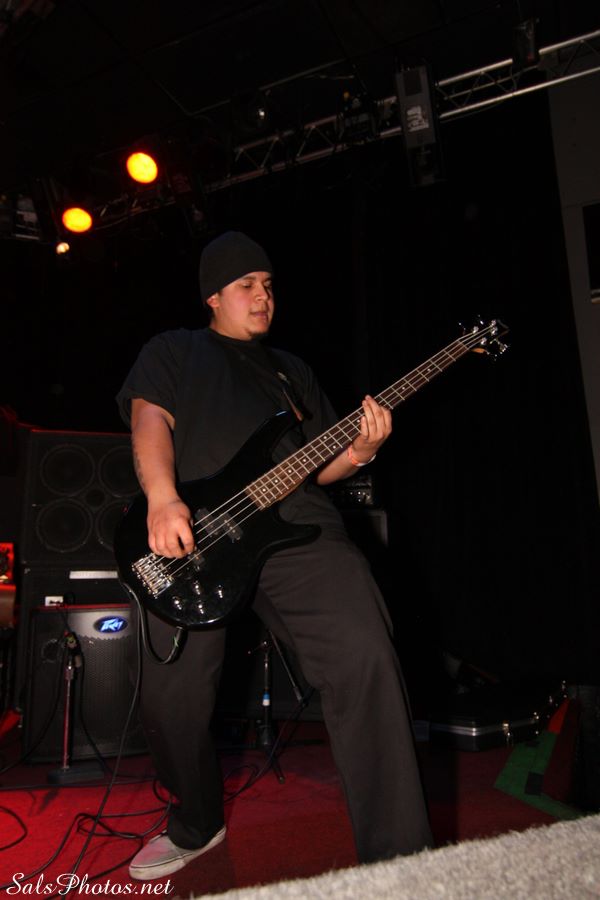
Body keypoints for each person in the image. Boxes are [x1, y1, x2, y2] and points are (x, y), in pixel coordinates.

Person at [116, 230, 433, 880]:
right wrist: (163, 498)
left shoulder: (293, 371)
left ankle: (401, 860)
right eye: (246, 286)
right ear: (213, 296)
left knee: (365, 655)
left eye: (268, 285)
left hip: (299, 532)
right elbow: (148, 420)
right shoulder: (175, 350)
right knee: (172, 702)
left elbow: (321, 464)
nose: (263, 296)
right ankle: (197, 822)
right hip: (197, 537)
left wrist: (362, 450)